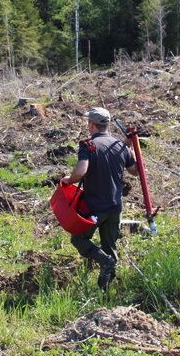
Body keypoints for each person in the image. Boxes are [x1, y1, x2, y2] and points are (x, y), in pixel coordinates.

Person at [61, 107, 137, 289]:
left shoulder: (88, 145)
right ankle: (107, 290)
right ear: (107, 125)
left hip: (95, 207)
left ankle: (103, 260)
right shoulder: (120, 146)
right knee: (110, 247)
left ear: (91, 124)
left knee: (78, 239)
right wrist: (129, 148)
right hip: (115, 208)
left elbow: (81, 171)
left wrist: (69, 180)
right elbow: (135, 171)